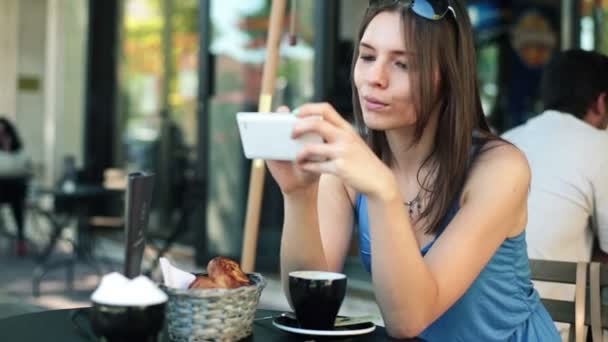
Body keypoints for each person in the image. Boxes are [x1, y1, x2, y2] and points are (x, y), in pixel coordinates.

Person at [266, 0, 560, 340]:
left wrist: (382, 190)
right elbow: (309, 302)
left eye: (403, 64)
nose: (375, 78)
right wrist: (299, 195)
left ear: (447, 76)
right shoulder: (353, 165)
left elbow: (410, 320)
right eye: (367, 56)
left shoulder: (500, 168)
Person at [502, 49, 608, 338]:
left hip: (491, 323)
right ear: (601, 102)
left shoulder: (504, 142)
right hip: (556, 329)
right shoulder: (600, 146)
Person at [0, 117, 30, 256]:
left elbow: (23, 165)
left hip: (15, 188)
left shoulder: (17, 148)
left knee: (18, 202)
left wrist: (8, 147)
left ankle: (20, 239)